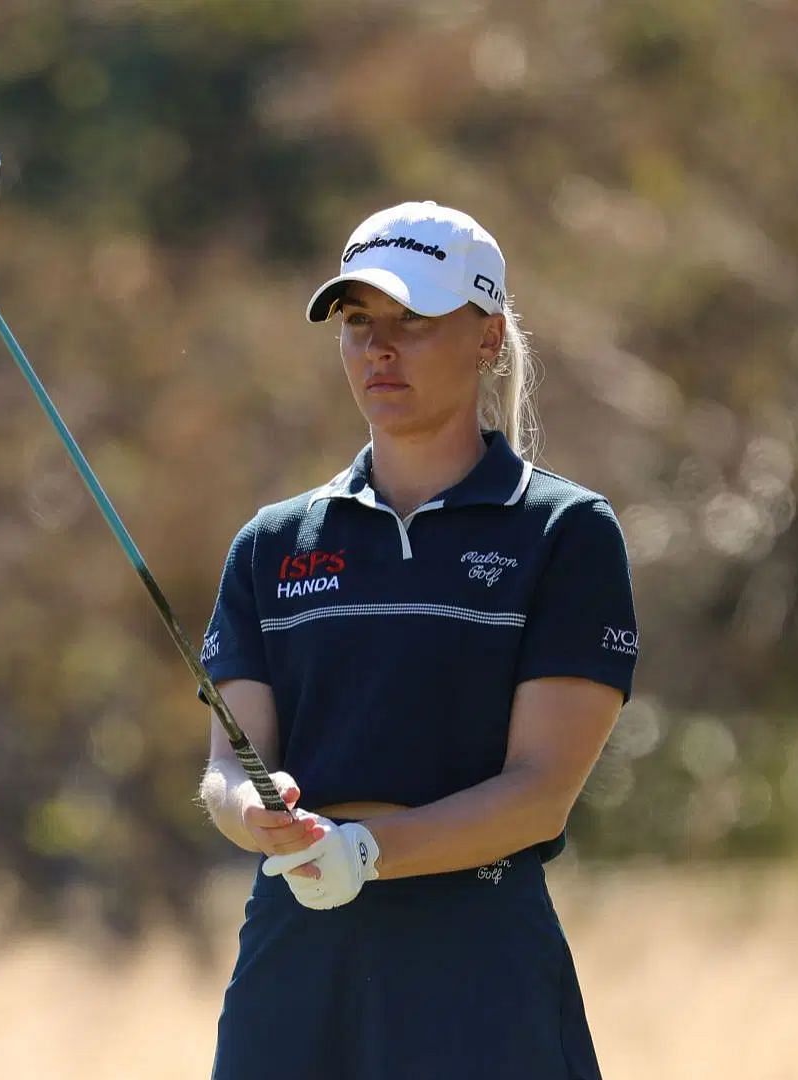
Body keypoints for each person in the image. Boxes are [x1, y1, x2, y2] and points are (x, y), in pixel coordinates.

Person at [197, 202, 639, 1077]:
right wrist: (257, 812)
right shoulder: (272, 543)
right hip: (298, 954)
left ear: (488, 338)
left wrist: (364, 854)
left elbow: (540, 792)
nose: (379, 349)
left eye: (414, 322)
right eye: (359, 323)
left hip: (473, 958)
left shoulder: (562, 532)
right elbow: (225, 764)